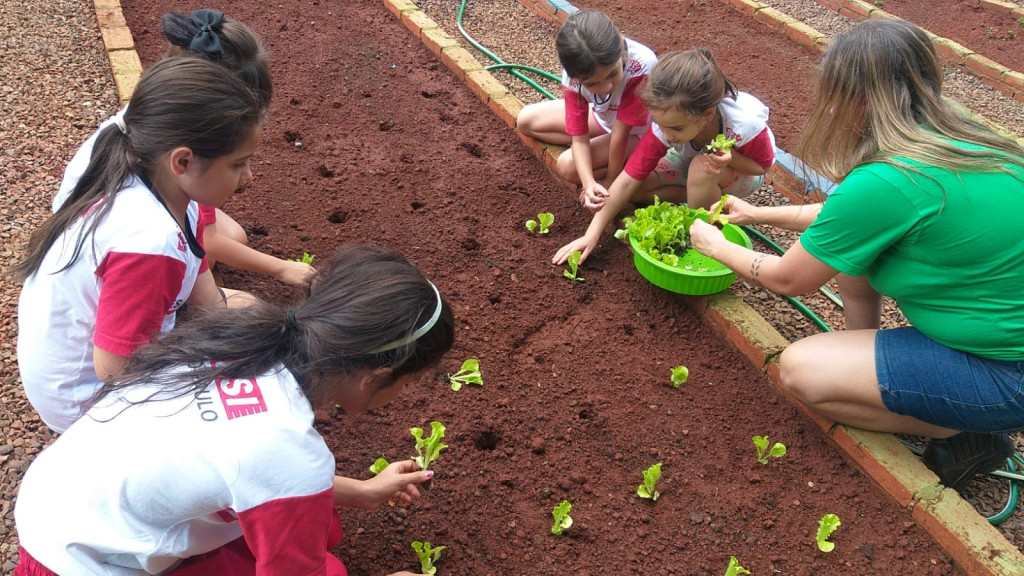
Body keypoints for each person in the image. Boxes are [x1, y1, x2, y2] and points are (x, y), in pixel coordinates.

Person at [689, 19, 1023, 492]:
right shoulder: (950, 134)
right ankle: (873, 367)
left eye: (834, 93)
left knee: (802, 371)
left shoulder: (891, 176)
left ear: (859, 99)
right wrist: (756, 214)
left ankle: (962, 432)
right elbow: (852, 219)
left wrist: (716, 246)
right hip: (1000, 344)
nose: (828, 106)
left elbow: (789, 279)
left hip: (1004, 374)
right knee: (855, 259)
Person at [14, 245, 454, 576]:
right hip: (79, 561)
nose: (406, 392)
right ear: (374, 376)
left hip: (57, 506)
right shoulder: (290, 450)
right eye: (410, 381)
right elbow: (278, 469)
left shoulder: (244, 344)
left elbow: (249, 468)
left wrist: (360, 492)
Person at [9, 57, 263, 434]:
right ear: (183, 161)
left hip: (101, 362)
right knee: (244, 414)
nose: (249, 176)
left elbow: (209, 303)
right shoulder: (150, 245)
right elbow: (117, 371)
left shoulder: (166, 191)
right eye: (238, 164)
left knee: (252, 317)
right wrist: (211, 362)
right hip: (88, 401)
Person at [53, 9, 316, 287]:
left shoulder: (158, 120)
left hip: (89, 221)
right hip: (105, 255)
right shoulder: (179, 172)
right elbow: (207, 241)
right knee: (207, 255)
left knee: (233, 236)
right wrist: (282, 268)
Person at [553, 49, 775, 265]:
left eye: (676, 128)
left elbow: (762, 167)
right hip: (693, 159)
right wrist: (591, 235)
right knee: (635, 189)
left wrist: (731, 158)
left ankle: (702, 235)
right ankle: (697, 193)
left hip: (742, 172)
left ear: (707, 115)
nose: (666, 135)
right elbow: (629, 179)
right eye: (660, 125)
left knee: (701, 167)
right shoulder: (668, 126)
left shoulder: (744, 126)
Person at [516, 10, 656, 207]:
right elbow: (579, 137)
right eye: (592, 84)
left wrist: (609, 181)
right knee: (525, 120)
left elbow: (620, 134)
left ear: (621, 52)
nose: (607, 87)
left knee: (567, 167)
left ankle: (626, 167)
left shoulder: (642, 66)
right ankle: (603, 152)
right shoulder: (574, 74)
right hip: (604, 119)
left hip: (638, 133)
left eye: (612, 74)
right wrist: (589, 182)